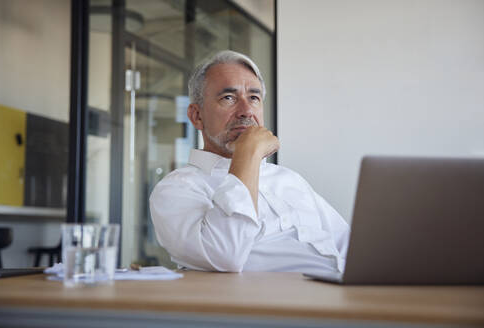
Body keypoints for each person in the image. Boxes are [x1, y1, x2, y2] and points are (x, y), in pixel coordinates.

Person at [149, 50, 349, 274]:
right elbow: (225, 256)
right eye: (229, 98)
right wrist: (249, 154)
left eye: (253, 98)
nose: (246, 111)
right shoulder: (177, 188)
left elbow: (349, 246)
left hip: (350, 290)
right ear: (197, 116)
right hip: (285, 303)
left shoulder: (289, 179)